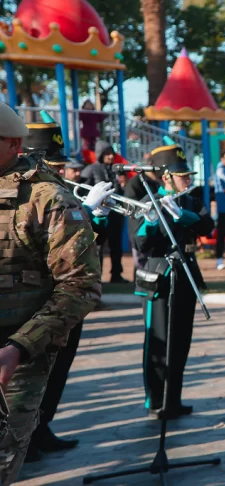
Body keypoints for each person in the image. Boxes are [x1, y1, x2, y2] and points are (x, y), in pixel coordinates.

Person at [0, 102, 101, 482]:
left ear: (12, 144)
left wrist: (19, 347)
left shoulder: (47, 199)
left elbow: (80, 285)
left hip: (16, 356)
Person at [18, 117, 112, 460]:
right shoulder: (27, 194)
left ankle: (42, 429)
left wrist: (92, 216)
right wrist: (85, 210)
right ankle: (26, 437)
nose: (63, 171)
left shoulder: (56, 192)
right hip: (35, 303)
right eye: (55, 164)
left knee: (58, 371)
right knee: (30, 378)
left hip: (65, 298)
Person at [133, 145, 214, 419]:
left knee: (181, 341)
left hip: (186, 275)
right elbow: (141, 243)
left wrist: (183, 215)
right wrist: (153, 219)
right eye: (182, 175)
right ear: (166, 177)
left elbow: (207, 226)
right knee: (159, 342)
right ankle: (155, 401)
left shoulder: (191, 200)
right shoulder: (149, 201)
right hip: (160, 277)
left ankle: (174, 399)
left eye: (188, 174)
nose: (188, 179)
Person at [81, 140, 128, 282]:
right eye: (107, 154)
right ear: (100, 154)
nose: (110, 156)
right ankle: (97, 276)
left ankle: (116, 274)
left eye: (112, 153)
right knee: (98, 246)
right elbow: (83, 188)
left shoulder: (115, 169)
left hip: (114, 214)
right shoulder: (91, 169)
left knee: (116, 246)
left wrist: (122, 184)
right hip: (97, 214)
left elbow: (120, 193)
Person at [124, 152, 162, 271]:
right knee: (141, 266)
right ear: (151, 165)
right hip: (139, 230)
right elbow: (131, 208)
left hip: (156, 230)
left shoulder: (158, 182)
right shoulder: (135, 183)